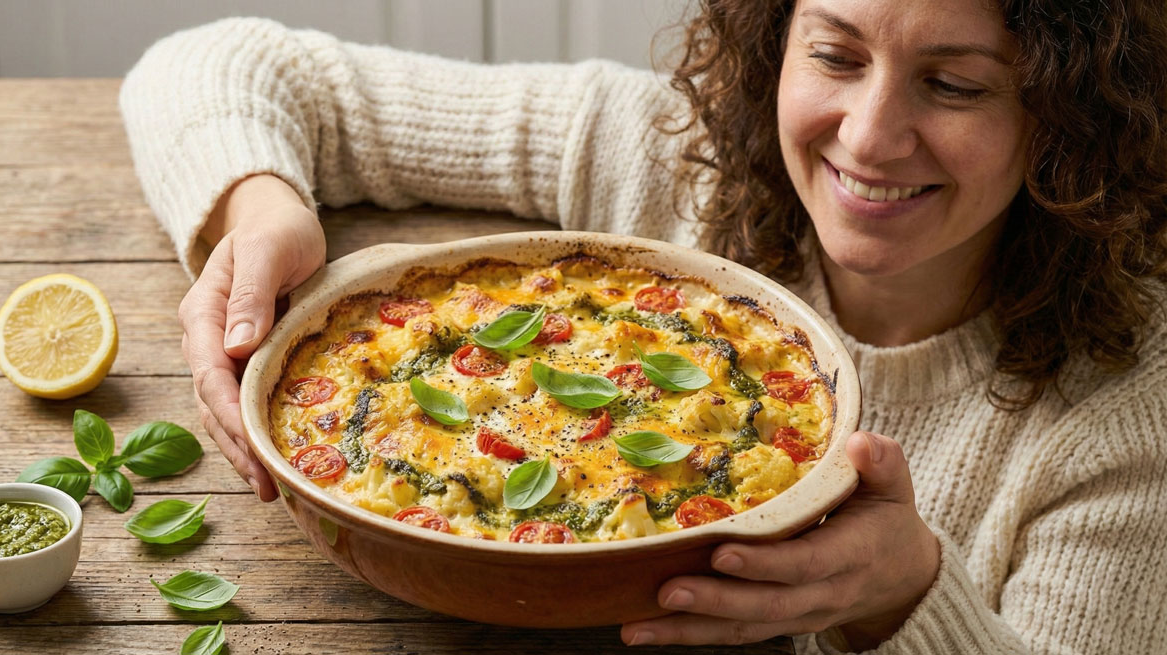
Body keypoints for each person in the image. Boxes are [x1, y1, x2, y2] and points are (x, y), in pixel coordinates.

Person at [120, 0, 1167, 652]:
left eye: (953, 84)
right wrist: (260, 209)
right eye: (836, 56)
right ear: (778, 41)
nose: (871, 136)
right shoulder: (665, 157)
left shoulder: (1130, 408)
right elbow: (215, 62)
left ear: (1072, 108)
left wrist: (903, 601)